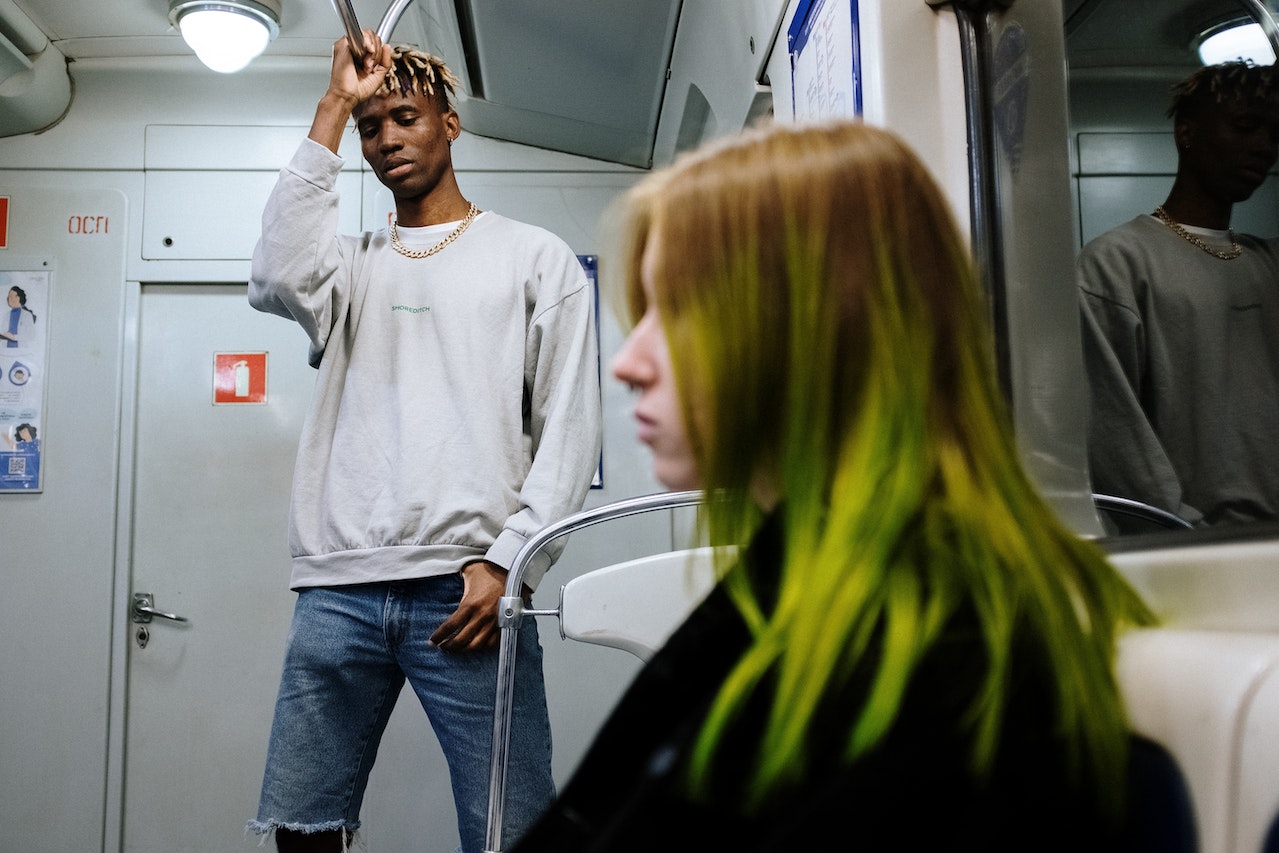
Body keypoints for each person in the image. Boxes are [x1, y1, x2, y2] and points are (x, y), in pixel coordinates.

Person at [510, 120, 1165, 851]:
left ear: (814, 326)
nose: (627, 362)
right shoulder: (815, 582)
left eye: (679, 310)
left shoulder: (943, 663)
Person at [246, 30, 602, 853]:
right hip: (338, 589)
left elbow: (568, 431)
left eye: (402, 117)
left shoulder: (533, 259)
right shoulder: (349, 266)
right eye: (373, 128)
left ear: (449, 122)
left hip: (468, 590)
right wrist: (336, 104)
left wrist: (510, 558)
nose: (386, 141)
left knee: (511, 829)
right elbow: (271, 274)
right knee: (303, 827)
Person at [1078, 60, 1279, 526]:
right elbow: (1114, 441)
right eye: (1246, 126)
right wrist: (1186, 537)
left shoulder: (1264, 264)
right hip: (1195, 545)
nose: (1265, 147)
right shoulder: (1116, 266)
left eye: (1275, 134)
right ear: (1186, 133)